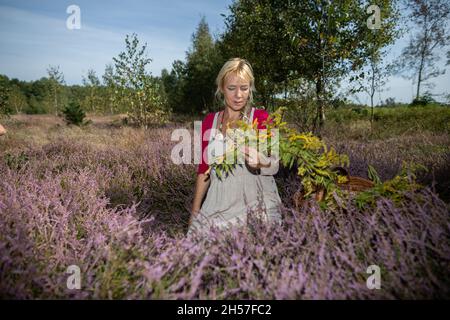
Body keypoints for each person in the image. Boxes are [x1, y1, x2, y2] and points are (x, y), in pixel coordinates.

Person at [188, 58, 282, 235]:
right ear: (222, 88)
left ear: (250, 89)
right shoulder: (210, 121)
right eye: (232, 88)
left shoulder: (263, 118)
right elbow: (204, 169)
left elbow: (275, 164)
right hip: (218, 204)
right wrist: (195, 213)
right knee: (197, 249)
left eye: (244, 88)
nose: (238, 95)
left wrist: (262, 162)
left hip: (258, 205)